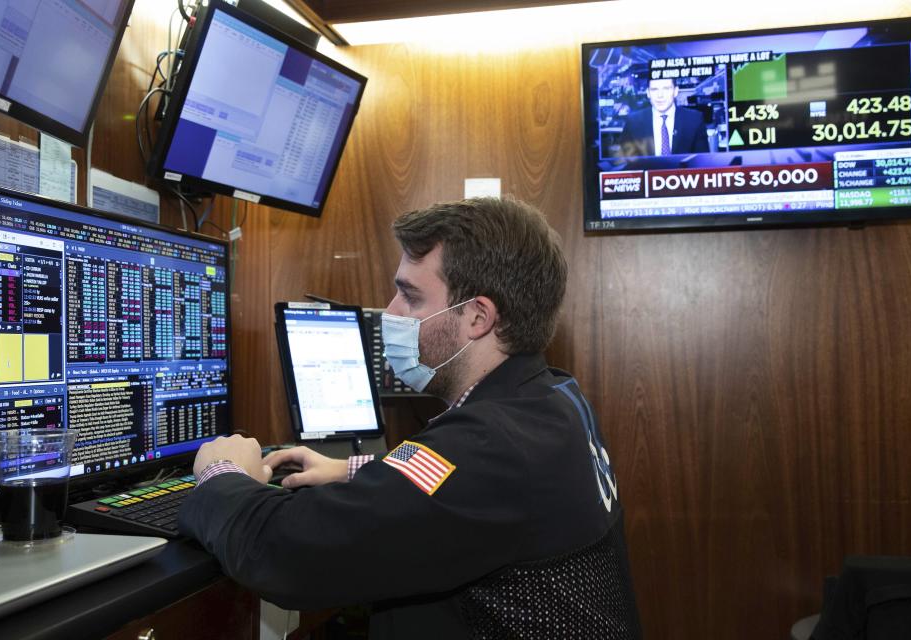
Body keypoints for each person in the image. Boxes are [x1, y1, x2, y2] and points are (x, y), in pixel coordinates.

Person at [178, 197, 642, 639]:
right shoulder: (554, 396)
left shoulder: (490, 448)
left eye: (411, 297)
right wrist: (350, 470)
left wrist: (223, 473)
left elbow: (286, 553)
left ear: (477, 317)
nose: (391, 312)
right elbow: (454, 489)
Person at [617, 77, 709, 157]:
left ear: (675, 91)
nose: (660, 95)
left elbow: (702, 162)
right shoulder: (633, 121)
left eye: (666, 89)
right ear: (648, 93)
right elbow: (624, 162)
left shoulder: (694, 119)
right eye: (654, 89)